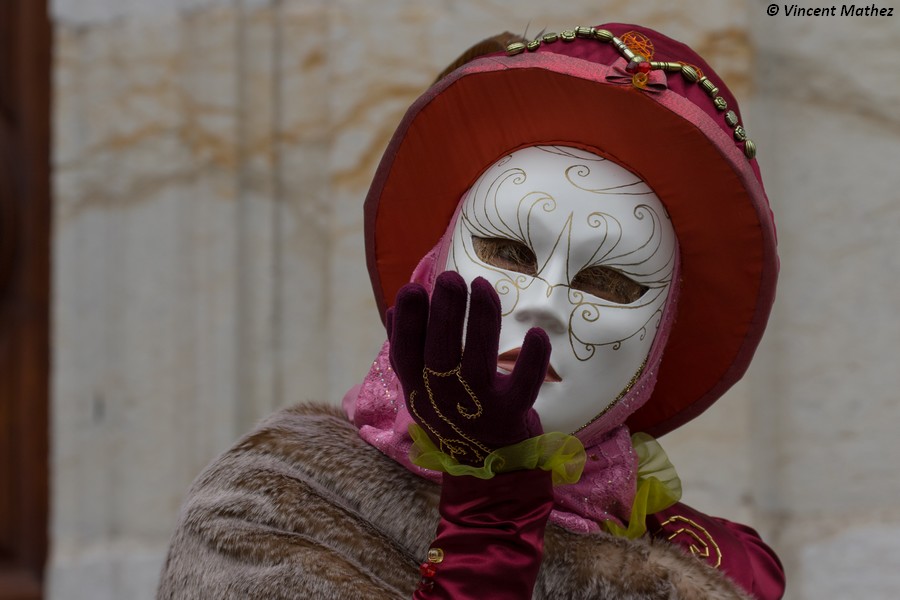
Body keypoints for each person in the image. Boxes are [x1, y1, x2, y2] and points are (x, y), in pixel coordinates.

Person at [158, 22, 785, 600]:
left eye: (609, 282)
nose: (545, 305)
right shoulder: (270, 507)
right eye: (509, 250)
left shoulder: (712, 562)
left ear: (658, 342)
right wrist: (492, 513)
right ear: (433, 269)